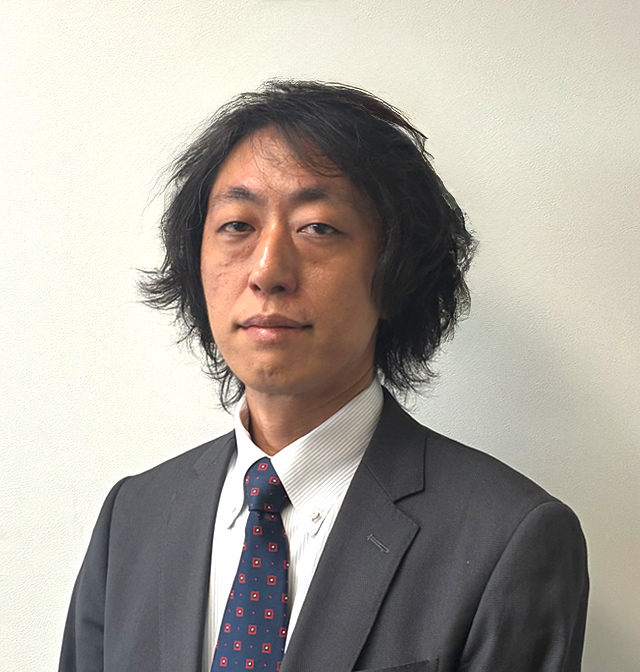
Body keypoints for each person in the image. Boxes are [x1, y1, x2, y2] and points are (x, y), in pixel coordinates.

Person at [59, 80, 588, 672]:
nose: (268, 270)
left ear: (395, 271)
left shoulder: (508, 538)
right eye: (237, 225)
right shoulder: (133, 518)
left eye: (318, 227)